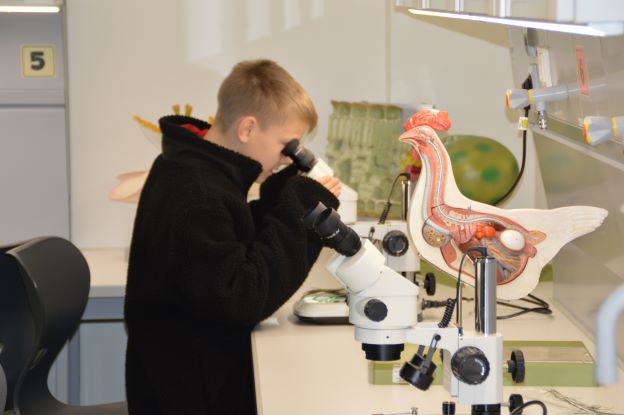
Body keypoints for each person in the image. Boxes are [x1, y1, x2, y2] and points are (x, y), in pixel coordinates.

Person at [124, 59, 341, 415]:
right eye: (286, 146)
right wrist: (301, 213)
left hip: (188, 370)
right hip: (187, 392)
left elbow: (234, 238)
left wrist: (283, 194)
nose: (287, 158)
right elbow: (242, 297)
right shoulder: (195, 192)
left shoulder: (194, 169)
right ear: (248, 128)